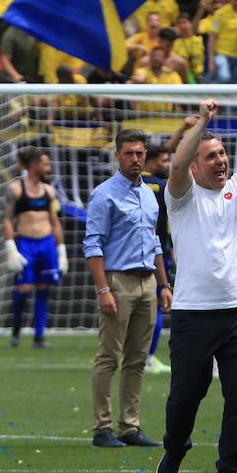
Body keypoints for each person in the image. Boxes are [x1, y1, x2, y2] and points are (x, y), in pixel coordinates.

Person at [156, 92, 237, 473]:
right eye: (211, 156)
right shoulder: (181, 197)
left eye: (223, 153)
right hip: (193, 314)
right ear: (195, 165)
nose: (221, 160)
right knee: (185, 397)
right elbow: (177, 164)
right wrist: (201, 123)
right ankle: (175, 448)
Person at [83, 130, 171, 449]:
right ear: (117, 155)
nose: (136, 159)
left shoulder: (149, 194)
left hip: (148, 281)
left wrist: (164, 284)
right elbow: (93, 244)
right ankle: (102, 427)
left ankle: (129, 426)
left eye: (140, 153)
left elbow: (155, 241)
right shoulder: (104, 194)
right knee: (109, 355)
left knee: (137, 358)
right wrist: (103, 289)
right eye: (129, 153)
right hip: (117, 279)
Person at [3, 147, 67, 349]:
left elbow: (55, 222)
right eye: (44, 163)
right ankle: (16, 329)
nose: (48, 167)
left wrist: (62, 252)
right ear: (33, 165)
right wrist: (11, 248)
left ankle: (39, 338)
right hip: (26, 243)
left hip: (47, 243)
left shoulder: (49, 191)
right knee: (23, 289)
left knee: (43, 288)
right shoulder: (15, 189)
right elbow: (7, 220)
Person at [141, 144, 174, 376]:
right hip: (158, 251)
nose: (167, 165)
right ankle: (148, 358)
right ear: (151, 162)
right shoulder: (163, 187)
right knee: (159, 303)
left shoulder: (131, 184)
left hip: (130, 254)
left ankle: (135, 355)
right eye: (164, 160)